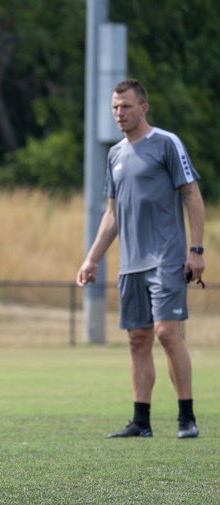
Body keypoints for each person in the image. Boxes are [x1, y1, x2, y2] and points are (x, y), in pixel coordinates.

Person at [77, 79, 205, 439]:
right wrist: (91, 260)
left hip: (167, 258)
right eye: (115, 108)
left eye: (126, 107)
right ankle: (141, 421)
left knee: (167, 333)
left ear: (143, 107)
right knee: (137, 338)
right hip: (130, 263)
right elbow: (112, 215)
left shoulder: (166, 143)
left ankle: (186, 418)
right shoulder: (115, 154)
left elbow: (192, 195)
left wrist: (196, 250)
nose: (119, 113)